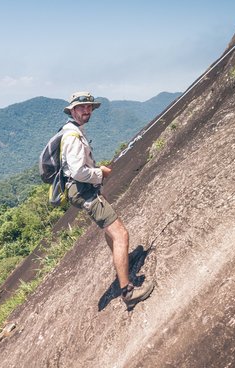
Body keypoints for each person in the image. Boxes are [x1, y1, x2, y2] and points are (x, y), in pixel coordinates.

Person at [60, 91, 154, 309]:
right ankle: (128, 292)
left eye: (89, 107)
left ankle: (122, 262)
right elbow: (76, 171)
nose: (86, 111)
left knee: (111, 230)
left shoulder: (72, 131)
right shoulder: (72, 137)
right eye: (82, 107)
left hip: (84, 190)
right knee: (121, 233)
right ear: (72, 110)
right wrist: (100, 173)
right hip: (84, 190)